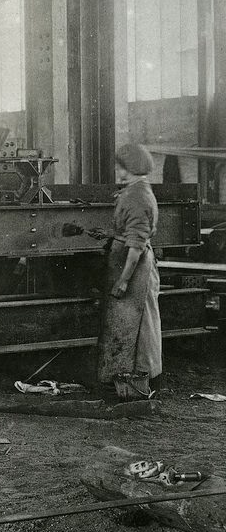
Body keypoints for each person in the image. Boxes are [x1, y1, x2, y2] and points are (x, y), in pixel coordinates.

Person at [96, 143, 162, 400]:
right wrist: (113, 235)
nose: (116, 169)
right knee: (137, 324)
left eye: (119, 166)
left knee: (141, 326)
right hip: (129, 260)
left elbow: (135, 246)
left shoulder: (136, 196)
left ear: (129, 168)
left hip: (133, 268)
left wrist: (124, 280)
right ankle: (132, 381)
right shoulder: (136, 191)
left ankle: (139, 385)